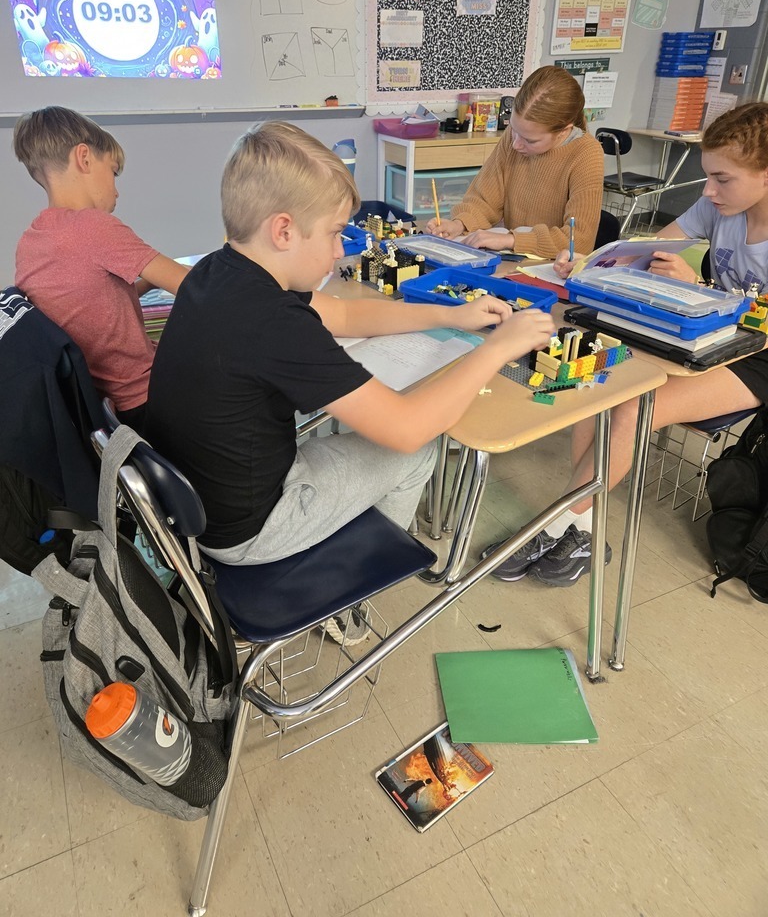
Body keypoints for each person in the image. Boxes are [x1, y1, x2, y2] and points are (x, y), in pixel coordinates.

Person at [146, 121, 555, 639]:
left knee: (358, 432)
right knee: (417, 453)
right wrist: (498, 348)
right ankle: (347, 600)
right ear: (284, 230)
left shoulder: (219, 270)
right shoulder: (273, 321)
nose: (341, 249)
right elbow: (407, 429)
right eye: (335, 232)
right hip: (248, 534)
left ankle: (338, 537)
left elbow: (341, 315)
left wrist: (450, 315)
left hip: (195, 506)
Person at [483, 100, 768, 587]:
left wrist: (702, 291)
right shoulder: (718, 205)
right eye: (708, 176)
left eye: (722, 179)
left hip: (755, 356)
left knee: (631, 408)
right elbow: (650, 251)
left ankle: (551, 524)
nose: (708, 190)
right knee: (599, 382)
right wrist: (591, 265)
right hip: (701, 336)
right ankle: (581, 529)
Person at [13, 106, 188, 432]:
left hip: (102, 412)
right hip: (146, 400)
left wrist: (147, 284)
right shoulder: (94, 226)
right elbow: (192, 285)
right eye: (113, 172)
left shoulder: (31, 241)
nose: (117, 190)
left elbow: (90, 308)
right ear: (84, 158)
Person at [425, 66, 604, 259]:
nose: (516, 144)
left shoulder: (586, 153)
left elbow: (578, 241)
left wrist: (511, 240)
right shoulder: (516, 137)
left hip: (551, 267)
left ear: (563, 130)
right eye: (514, 130)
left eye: (530, 140)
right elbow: (485, 199)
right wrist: (459, 224)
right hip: (514, 262)